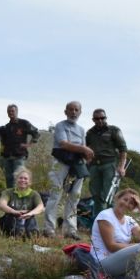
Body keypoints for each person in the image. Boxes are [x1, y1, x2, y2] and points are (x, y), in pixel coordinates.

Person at [43, 100, 93, 240]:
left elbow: (84, 149)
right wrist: (83, 149)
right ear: (65, 111)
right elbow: (63, 144)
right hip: (61, 162)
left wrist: (87, 156)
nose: (73, 112)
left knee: (75, 196)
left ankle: (70, 230)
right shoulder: (60, 126)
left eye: (76, 110)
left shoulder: (82, 130)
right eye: (70, 109)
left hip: (77, 163)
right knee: (56, 195)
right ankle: (49, 229)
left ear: (80, 112)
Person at [86, 108, 129, 216]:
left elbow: (123, 149)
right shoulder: (90, 133)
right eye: (97, 118)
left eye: (102, 118)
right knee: (96, 195)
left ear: (105, 118)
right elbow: (85, 148)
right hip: (94, 166)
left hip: (109, 165)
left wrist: (121, 167)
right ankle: (97, 223)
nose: (100, 120)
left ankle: (111, 223)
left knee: (108, 195)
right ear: (93, 119)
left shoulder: (114, 130)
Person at [0, 104, 40, 189]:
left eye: (12, 111)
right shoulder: (7, 127)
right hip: (7, 156)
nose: (11, 113)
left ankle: (20, 198)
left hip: (19, 155)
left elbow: (36, 133)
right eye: (9, 111)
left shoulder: (24, 123)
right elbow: (2, 141)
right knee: (9, 179)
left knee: (20, 178)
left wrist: (29, 144)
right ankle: (10, 198)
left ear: (17, 112)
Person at [0, 169, 45, 237]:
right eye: (20, 178)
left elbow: (41, 207)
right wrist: (14, 211)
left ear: (30, 182)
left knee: (32, 229)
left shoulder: (34, 194)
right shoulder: (8, 192)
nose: (23, 180)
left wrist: (29, 213)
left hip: (28, 218)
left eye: (25, 179)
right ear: (16, 180)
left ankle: (30, 235)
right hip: (12, 218)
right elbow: (1, 204)